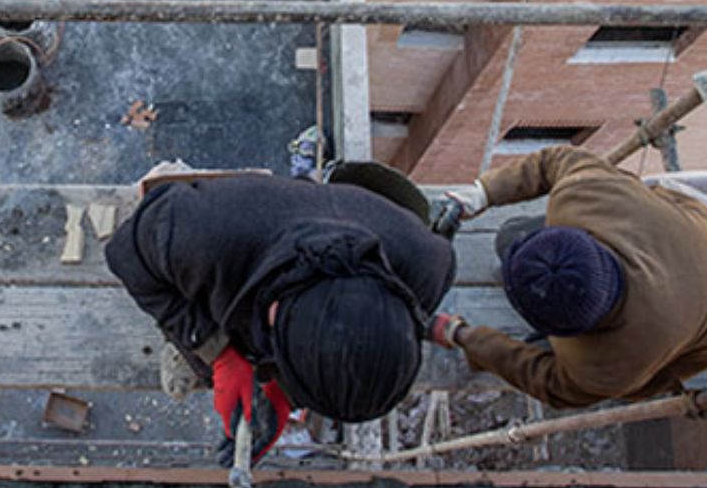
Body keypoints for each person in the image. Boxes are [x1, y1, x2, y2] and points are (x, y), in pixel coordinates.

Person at [106, 169, 456, 466]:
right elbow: (126, 253)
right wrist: (215, 349)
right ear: (273, 313)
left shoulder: (425, 265)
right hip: (250, 230)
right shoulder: (200, 232)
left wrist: (284, 393)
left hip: (346, 217)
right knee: (196, 347)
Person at [429, 146, 707, 408]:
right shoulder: (587, 193)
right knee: (509, 235)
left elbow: (545, 380)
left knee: (540, 350)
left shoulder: (607, 366)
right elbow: (553, 160)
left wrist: (466, 337)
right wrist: (484, 192)